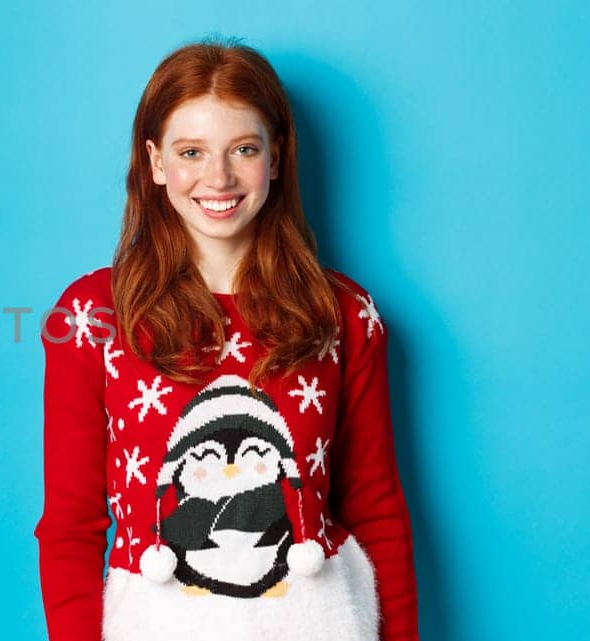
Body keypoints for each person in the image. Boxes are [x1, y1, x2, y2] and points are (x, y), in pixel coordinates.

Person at [33, 37, 418, 641]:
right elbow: (70, 527)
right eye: (192, 152)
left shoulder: (345, 313)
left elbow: (377, 514)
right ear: (155, 162)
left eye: (243, 148)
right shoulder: (92, 315)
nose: (218, 177)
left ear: (277, 157)